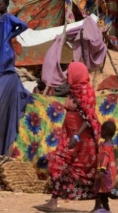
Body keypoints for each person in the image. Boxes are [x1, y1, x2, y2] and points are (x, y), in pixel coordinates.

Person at [36, 62, 101, 212]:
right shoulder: (73, 89)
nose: (66, 75)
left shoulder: (86, 91)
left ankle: (99, 204)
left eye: (69, 72)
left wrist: (77, 137)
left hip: (83, 140)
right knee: (57, 163)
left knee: (86, 172)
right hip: (69, 136)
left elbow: (89, 118)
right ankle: (53, 201)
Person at [92, 120, 118, 212]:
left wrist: (100, 173)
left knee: (109, 191)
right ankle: (106, 209)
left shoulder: (106, 148)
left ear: (104, 132)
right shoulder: (109, 145)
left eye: (101, 130)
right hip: (109, 172)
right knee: (102, 193)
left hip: (106, 174)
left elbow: (104, 161)